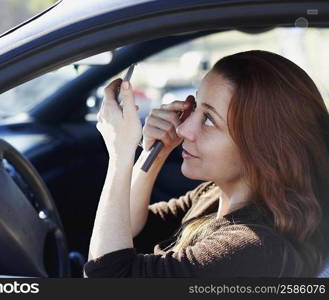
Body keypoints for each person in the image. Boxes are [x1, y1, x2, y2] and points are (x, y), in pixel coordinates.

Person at [83, 50, 329, 277]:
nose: (183, 128)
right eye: (196, 108)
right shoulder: (213, 195)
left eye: (209, 120)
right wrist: (154, 153)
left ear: (261, 147)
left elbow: (105, 275)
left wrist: (120, 155)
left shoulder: (252, 248)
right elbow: (131, 228)